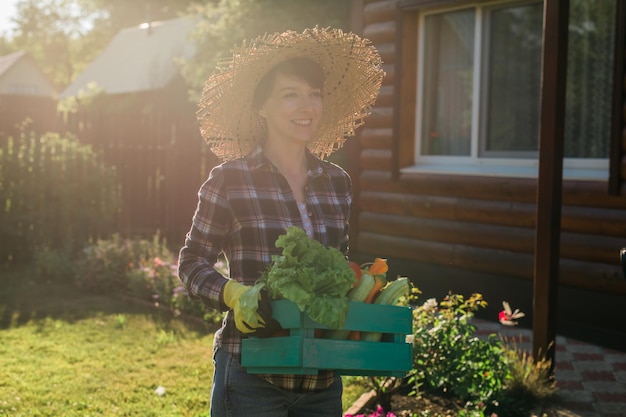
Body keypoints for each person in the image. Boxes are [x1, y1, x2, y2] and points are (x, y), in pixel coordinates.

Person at [177, 27, 384, 417]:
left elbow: (337, 270)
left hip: (321, 379)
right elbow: (190, 264)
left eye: (314, 95)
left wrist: (364, 297)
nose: (307, 107)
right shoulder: (230, 179)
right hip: (251, 373)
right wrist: (233, 294)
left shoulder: (337, 183)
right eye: (291, 95)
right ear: (262, 107)